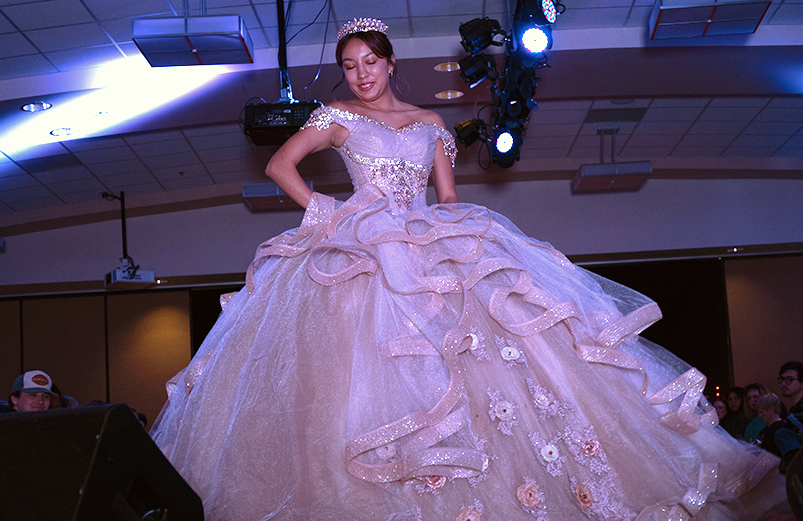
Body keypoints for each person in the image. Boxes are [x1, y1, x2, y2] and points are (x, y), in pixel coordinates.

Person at [150, 18, 786, 520]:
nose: (361, 74)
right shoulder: (337, 119)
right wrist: (333, 215)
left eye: (370, 62)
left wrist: (462, 238)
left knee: (504, 356)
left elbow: (447, 200)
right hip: (367, 251)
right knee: (374, 373)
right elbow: (278, 166)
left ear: (390, 62)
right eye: (349, 66)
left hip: (431, 239)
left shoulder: (430, 123)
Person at [776, 361, 803, 473]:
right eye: (782, 380)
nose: (784, 384)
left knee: (781, 433)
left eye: (790, 380)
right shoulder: (794, 409)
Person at [756, 393, 786, 459]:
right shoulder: (765, 429)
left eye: (761, 412)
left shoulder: (781, 428)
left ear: (771, 410)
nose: (759, 416)